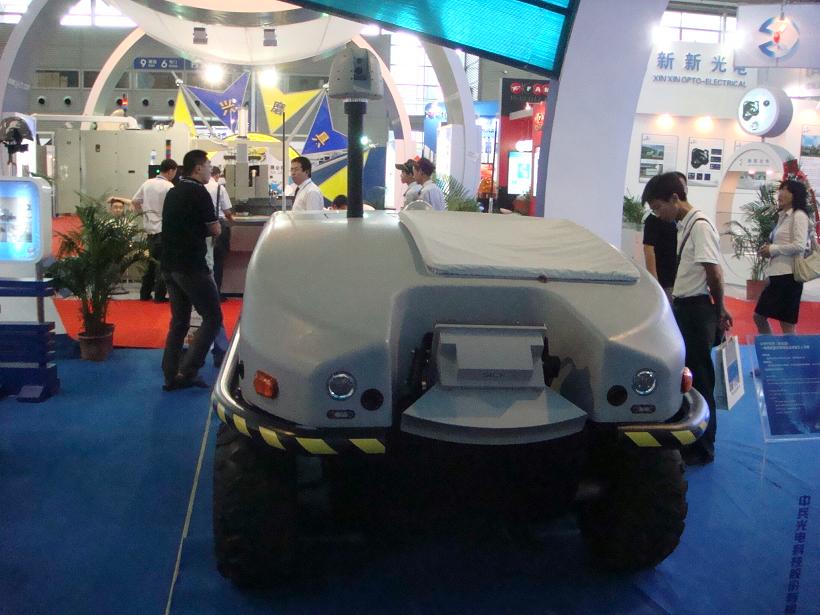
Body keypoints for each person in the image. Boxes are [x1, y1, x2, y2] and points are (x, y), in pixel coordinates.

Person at [642, 172, 733, 466]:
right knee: (690, 379)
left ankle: (703, 448)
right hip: (687, 308)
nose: (658, 214)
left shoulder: (700, 226)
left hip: (697, 311)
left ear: (674, 198)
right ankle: (692, 441)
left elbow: (714, 272)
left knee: (701, 382)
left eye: (659, 207)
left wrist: (720, 309)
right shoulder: (685, 225)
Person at [160, 150, 223, 391]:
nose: (210, 170)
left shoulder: (174, 191)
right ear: (197, 168)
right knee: (213, 317)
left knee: (179, 321)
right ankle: (188, 371)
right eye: (208, 165)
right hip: (191, 266)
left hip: (170, 265)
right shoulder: (199, 192)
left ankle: (170, 373)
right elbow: (215, 229)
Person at [108, 158, 178, 302]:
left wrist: (143, 213)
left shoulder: (147, 183)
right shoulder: (169, 186)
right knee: (162, 265)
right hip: (163, 230)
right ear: (171, 171)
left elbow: (134, 201)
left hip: (149, 231)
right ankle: (159, 296)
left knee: (151, 264)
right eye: (175, 172)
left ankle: (144, 294)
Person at [754, 179, 812, 335]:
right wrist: (768, 250)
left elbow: (799, 246)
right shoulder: (782, 216)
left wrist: (773, 249)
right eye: (780, 189)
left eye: (786, 190)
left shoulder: (799, 215)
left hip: (789, 276)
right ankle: (772, 348)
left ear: (795, 195)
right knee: (763, 317)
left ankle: (783, 350)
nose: (780, 193)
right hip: (777, 274)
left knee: (784, 323)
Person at [643, 171, 686, 302]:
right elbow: (649, 251)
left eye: (683, 187)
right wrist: (655, 284)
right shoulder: (653, 220)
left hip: (681, 281)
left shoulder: (685, 220)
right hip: (665, 281)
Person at [205, 166, 234, 298]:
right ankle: (216, 293)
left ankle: (204, 293)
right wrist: (232, 220)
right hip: (218, 225)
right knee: (218, 260)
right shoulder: (219, 188)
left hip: (202, 227)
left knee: (204, 260)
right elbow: (227, 211)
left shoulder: (199, 187)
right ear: (217, 175)